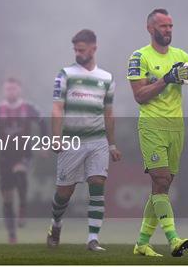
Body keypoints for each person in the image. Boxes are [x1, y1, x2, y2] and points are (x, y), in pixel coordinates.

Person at [127, 8, 188, 257]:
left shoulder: (181, 56)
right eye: (163, 26)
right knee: (162, 180)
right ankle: (174, 239)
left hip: (176, 128)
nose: (168, 30)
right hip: (152, 125)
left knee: (161, 188)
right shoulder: (139, 57)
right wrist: (166, 79)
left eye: (171, 26)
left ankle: (142, 243)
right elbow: (139, 96)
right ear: (150, 28)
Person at [46, 29, 122, 252]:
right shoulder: (65, 74)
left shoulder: (106, 78)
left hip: (97, 141)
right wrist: (56, 138)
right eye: (75, 49)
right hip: (72, 141)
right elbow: (57, 108)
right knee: (64, 193)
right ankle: (56, 224)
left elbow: (109, 113)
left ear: (94, 48)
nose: (78, 53)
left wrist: (112, 145)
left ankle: (92, 239)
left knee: (97, 184)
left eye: (82, 49)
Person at [0, 77, 47, 244]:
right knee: (7, 198)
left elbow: (43, 123)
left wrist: (45, 144)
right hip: (5, 157)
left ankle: (23, 208)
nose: (10, 92)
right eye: (8, 89)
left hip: (24, 155)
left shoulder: (29, 108)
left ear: (19, 90)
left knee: (20, 173)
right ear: (3, 91)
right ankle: (12, 234)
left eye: (13, 89)